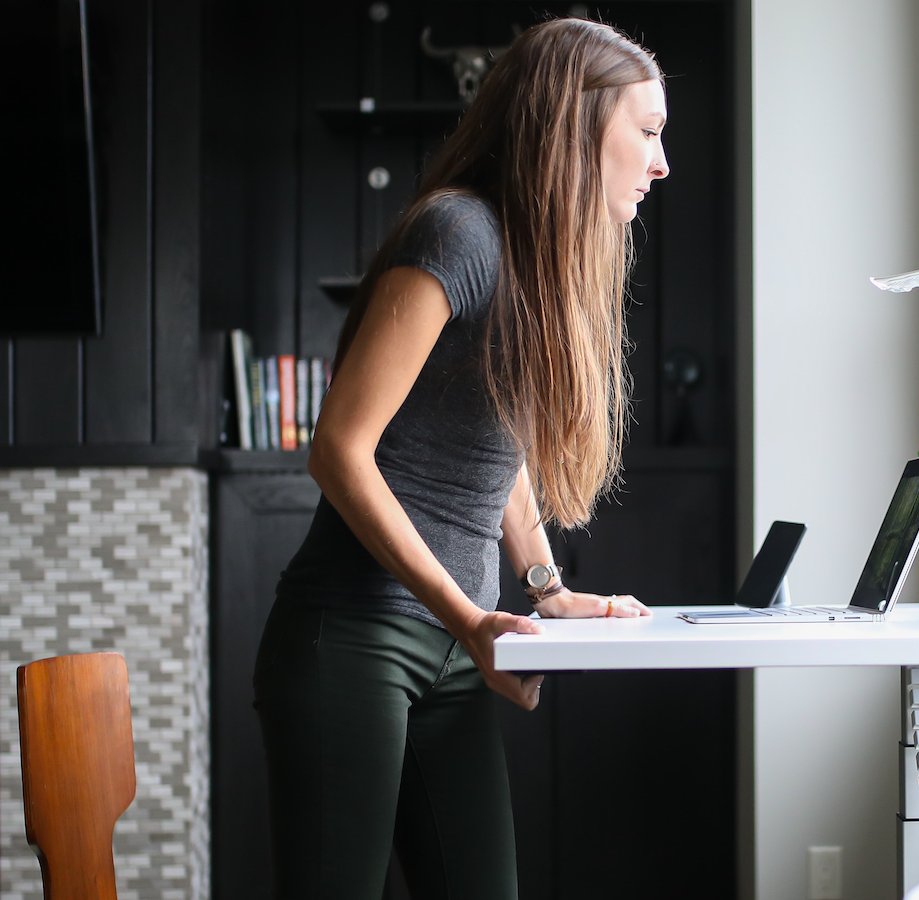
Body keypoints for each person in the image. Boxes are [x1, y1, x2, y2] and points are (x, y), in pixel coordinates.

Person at [252, 17, 669, 900]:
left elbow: (497, 442)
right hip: (357, 638)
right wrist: (467, 618)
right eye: (648, 131)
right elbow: (339, 450)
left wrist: (545, 585)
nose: (660, 163)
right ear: (577, 124)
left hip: (454, 642)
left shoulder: (536, 263)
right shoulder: (459, 234)